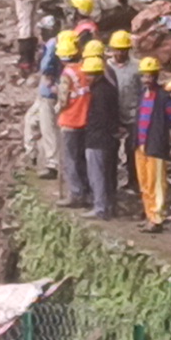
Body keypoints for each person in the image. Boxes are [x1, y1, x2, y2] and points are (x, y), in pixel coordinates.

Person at [134, 56, 171, 232]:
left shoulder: (163, 97)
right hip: (140, 143)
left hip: (155, 145)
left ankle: (157, 218)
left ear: (156, 76)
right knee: (144, 182)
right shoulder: (142, 95)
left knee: (156, 183)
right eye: (144, 76)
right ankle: (149, 214)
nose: (146, 79)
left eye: (149, 76)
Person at [21, 20, 64, 179]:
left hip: (49, 93)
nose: (41, 33)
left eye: (43, 30)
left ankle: (52, 164)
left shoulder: (53, 44)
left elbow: (46, 68)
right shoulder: (51, 44)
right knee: (31, 120)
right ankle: (31, 154)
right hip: (44, 92)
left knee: (49, 128)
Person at [54, 36, 94, 209]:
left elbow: (63, 100)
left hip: (70, 121)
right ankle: (87, 192)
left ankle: (76, 194)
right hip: (85, 119)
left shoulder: (66, 75)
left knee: (70, 160)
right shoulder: (85, 69)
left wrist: (56, 110)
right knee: (82, 159)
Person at [80, 50, 119, 220]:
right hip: (108, 139)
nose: (86, 78)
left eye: (89, 75)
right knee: (107, 174)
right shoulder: (109, 88)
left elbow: (101, 117)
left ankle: (100, 207)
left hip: (97, 139)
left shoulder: (98, 92)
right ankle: (108, 206)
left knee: (97, 175)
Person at [105, 31, 141, 189]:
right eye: (117, 50)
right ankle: (111, 181)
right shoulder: (105, 67)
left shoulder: (136, 67)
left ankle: (134, 181)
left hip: (133, 113)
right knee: (110, 150)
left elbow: (142, 90)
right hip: (113, 114)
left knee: (132, 150)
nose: (119, 53)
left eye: (123, 50)